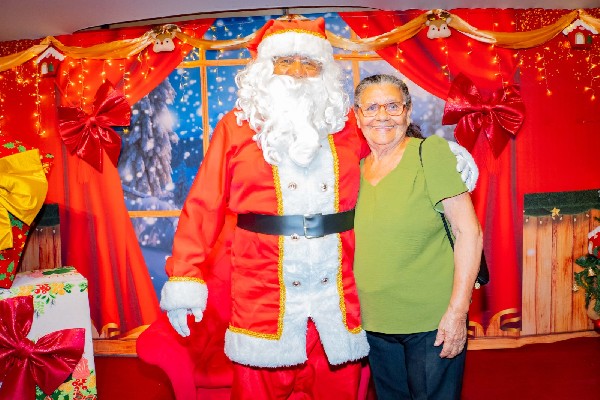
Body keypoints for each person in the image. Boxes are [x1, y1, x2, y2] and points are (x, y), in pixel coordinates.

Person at [157, 18, 478, 399]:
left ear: (324, 70)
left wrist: (448, 152)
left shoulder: (343, 125)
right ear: (265, 68)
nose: (297, 72)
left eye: (309, 63)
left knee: (338, 388)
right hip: (264, 293)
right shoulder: (236, 127)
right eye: (285, 61)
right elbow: (203, 204)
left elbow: (391, 145)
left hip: (337, 293)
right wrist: (185, 276)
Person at [352, 74, 483, 400]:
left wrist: (457, 312)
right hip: (373, 322)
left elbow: (469, 231)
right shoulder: (355, 170)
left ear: (408, 112)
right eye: (371, 107)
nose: (382, 115)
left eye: (392, 106)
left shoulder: (430, 153)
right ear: (357, 116)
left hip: (431, 322)